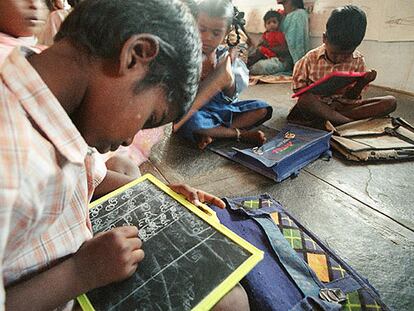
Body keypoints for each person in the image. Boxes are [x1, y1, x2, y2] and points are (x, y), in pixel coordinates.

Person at [0, 1, 247, 310]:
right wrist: (78, 273)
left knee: (128, 169)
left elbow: (89, 174)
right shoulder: (12, 168)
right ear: (135, 55)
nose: (131, 138)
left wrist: (160, 197)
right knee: (231, 302)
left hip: (69, 247)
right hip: (58, 285)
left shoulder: (38, 73)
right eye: (148, 117)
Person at [175, 0, 273, 150]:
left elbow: (231, 97)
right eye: (202, 29)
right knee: (191, 121)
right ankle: (238, 134)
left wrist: (226, 74)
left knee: (262, 109)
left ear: (226, 32)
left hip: (225, 110)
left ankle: (213, 133)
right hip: (197, 113)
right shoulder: (186, 56)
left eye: (216, 33)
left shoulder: (226, 58)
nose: (207, 37)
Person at [287, 5, 397, 128]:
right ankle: (346, 122)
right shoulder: (309, 59)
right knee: (305, 100)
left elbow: (352, 97)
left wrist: (362, 82)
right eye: (334, 53)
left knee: (390, 102)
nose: (339, 59)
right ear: (324, 38)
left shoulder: (358, 61)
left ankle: (334, 119)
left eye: (346, 55)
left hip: (344, 107)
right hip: (319, 107)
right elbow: (299, 92)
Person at [249, 0, 309, 75]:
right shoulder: (281, 15)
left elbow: (293, 49)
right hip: (272, 55)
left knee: (259, 67)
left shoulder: (298, 15)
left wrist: (266, 48)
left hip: (285, 60)